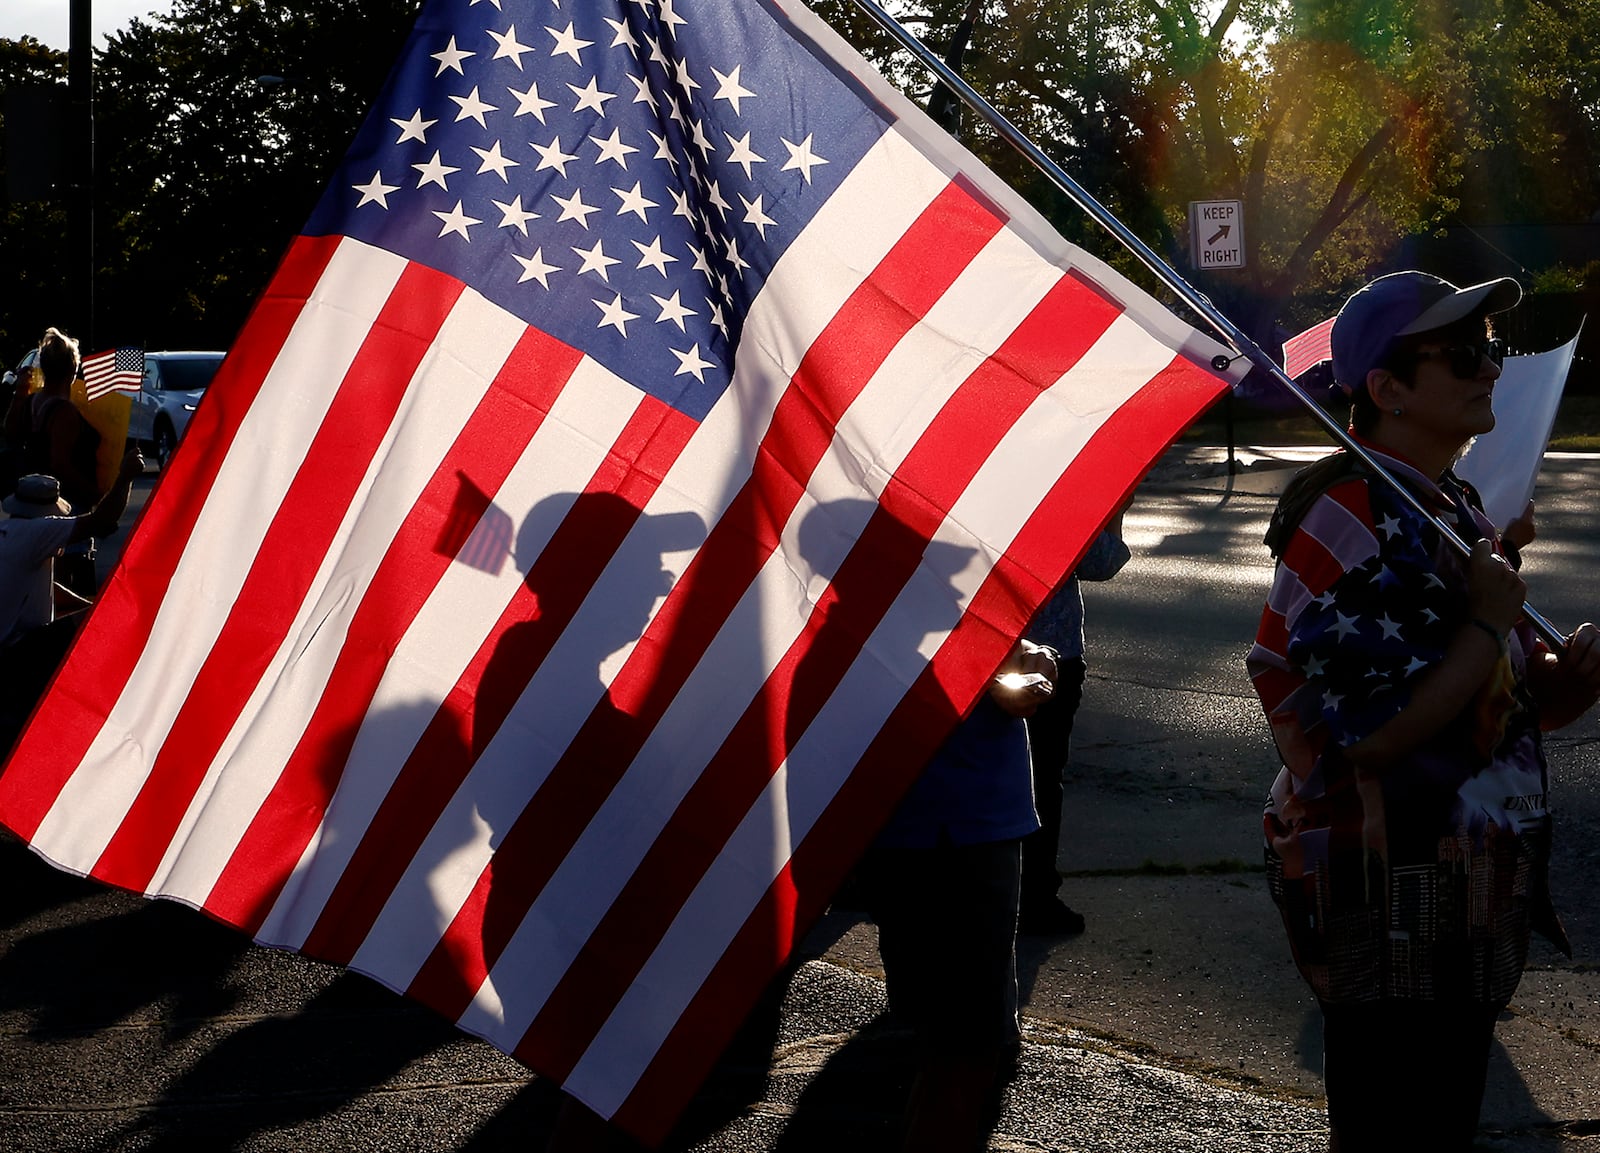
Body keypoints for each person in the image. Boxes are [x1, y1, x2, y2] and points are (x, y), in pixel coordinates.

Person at [1247, 271, 1600, 1150]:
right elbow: (1373, 734)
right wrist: (1487, 617)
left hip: (1460, 887)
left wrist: (1554, 691)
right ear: (1387, 390)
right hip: (1388, 892)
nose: (1491, 368)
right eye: (1464, 352)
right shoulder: (1352, 512)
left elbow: (1465, 721)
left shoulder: (1449, 506)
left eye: (1493, 347)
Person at [858, 638, 1057, 1153]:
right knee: (957, 1033)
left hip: (958, 815)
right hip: (930, 815)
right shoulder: (873, 583)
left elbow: (993, 630)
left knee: (958, 1033)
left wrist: (1027, 654)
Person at [1020, 519, 1130, 935]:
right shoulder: (1054, 497)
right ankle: (1035, 896)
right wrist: (1115, 511)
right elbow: (1101, 561)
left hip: (988, 648)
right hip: (1051, 657)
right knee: (1042, 779)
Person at [0, 449, 144, 714]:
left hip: (12, 645)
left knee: (91, 616)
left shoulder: (11, 532)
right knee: (101, 630)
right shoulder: (38, 531)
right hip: (19, 649)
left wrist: (90, 606)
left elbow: (47, 588)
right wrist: (126, 477)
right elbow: (102, 520)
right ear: (48, 511)